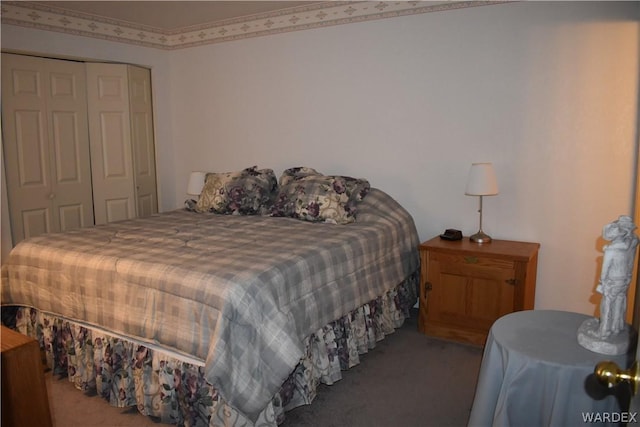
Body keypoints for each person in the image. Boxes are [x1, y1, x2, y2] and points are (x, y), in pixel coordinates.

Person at [596, 215, 639, 338]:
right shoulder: (632, 241)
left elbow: (605, 270)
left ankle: (604, 330)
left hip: (613, 280)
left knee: (607, 305)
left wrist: (602, 282)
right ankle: (616, 326)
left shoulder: (612, 250)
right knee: (620, 302)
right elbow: (629, 259)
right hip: (625, 277)